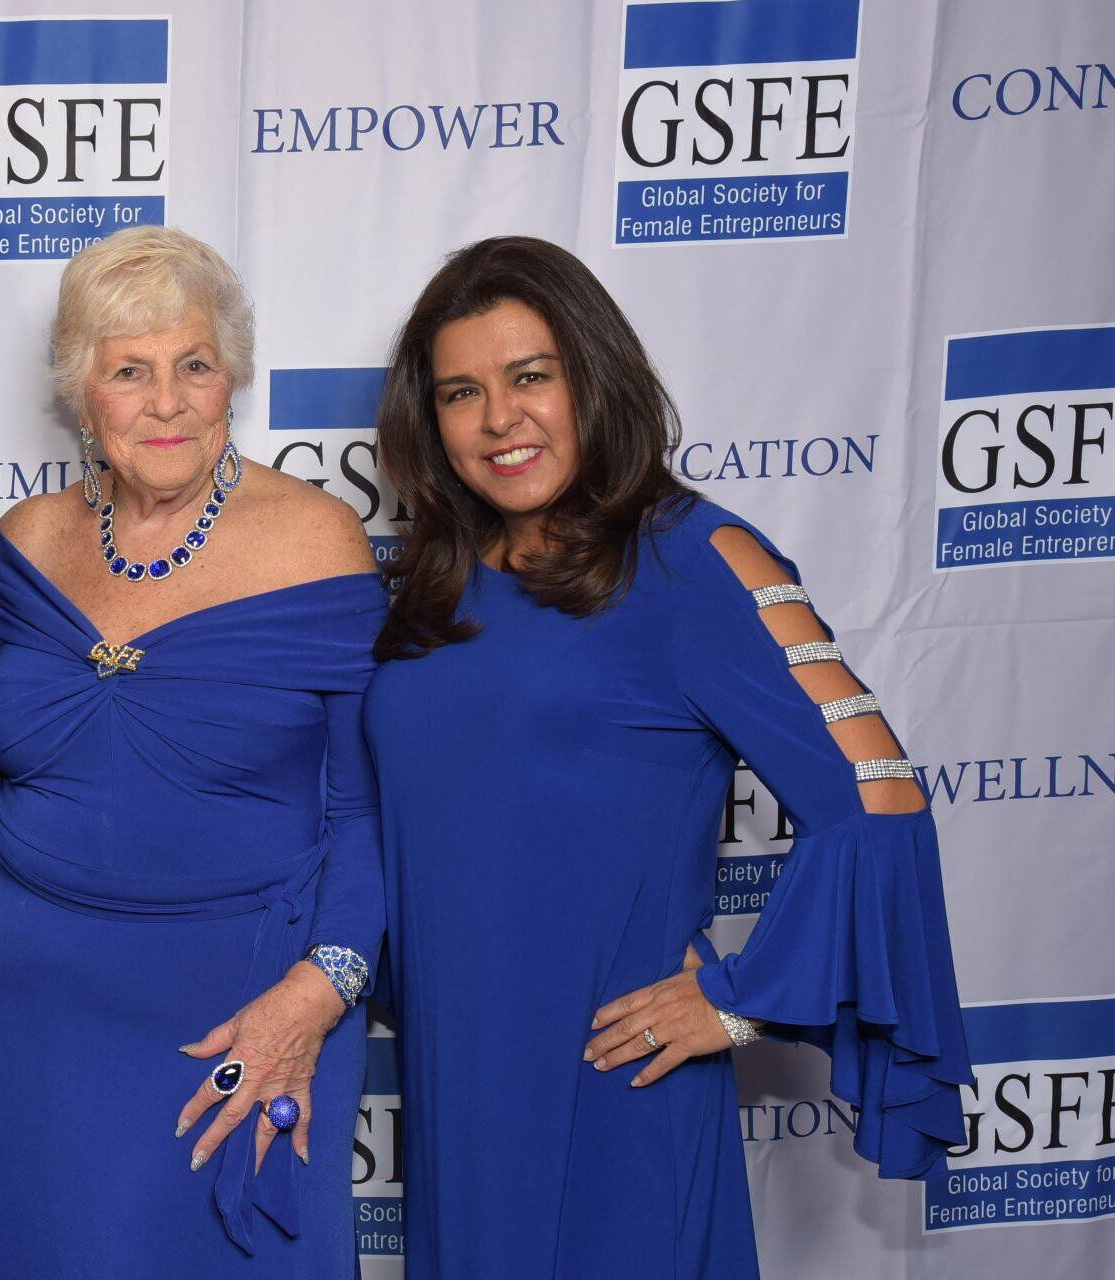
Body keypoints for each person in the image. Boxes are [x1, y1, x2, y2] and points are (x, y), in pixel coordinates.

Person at [363, 236, 971, 1278]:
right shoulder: (434, 582)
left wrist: (742, 996)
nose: (499, 418)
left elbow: (882, 798)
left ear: (594, 377)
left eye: (531, 376)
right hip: (457, 1080)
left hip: (611, 1075)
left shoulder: (694, 555)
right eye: (462, 392)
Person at [0, 226, 386, 1278]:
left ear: (234, 377)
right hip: (15, 1009)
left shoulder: (317, 540)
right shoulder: (23, 543)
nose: (168, 402)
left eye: (194, 364)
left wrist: (318, 992)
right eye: (129, 371)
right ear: (80, 392)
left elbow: (367, 808)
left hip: (241, 1007)